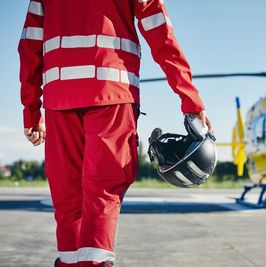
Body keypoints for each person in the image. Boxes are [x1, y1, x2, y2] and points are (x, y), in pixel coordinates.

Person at [18, 1, 212, 266]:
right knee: (103, 191)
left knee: (67, 196)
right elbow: (162, 35)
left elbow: (30, 44)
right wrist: (191, 100)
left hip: (59, 99)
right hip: (112, 92)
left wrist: (31, 111)